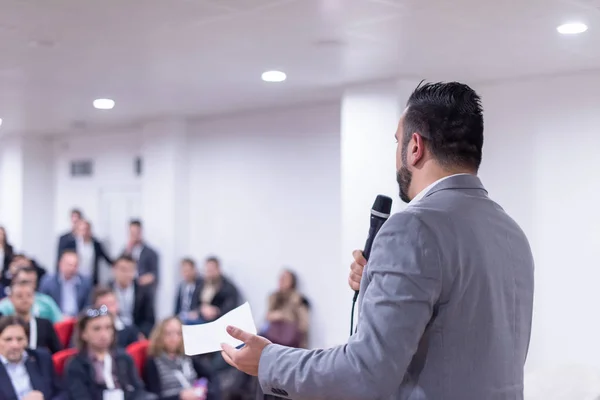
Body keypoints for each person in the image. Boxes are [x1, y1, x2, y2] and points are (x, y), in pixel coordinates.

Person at [219, 82, 535, 399]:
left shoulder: (413, 228)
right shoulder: (511, 233)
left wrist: (269, 360)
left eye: (397, 142)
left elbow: (366, 373)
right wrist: (374, 283)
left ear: (415, 147)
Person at [65, 305, 152, 399]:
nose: (104, 334)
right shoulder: (76, 365)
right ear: (83, 334)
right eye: (96, 329)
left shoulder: (124, 358)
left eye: (108, 328)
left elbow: (138, 390)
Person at [143, 317, 219, 400]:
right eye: (169, 333)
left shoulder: (187, 356)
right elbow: (154, 396)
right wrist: (180, 396)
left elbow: (211, 375)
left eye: (178, 333)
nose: (174, 338)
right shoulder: (154, 361)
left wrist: (204, 389)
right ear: (160, 336)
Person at [0, 316, 66, 400]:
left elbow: (61, 393)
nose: (15, 345)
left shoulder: (42, 358)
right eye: (8, 339)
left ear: (26, 340)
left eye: (20, 339)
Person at [8, 281, 62, 354]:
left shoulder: (45, 324)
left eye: (29, 295)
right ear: (10, 299)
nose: (25, 299)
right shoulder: (4, 324)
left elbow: (58, 352)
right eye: (19, 296)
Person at [261, 269, 309, 348]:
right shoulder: (274, 297)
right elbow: (266, 318)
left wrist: (282, 316)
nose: (281, 281)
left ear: (292, 281)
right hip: (272, 339)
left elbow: (304, 325)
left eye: (285, 278)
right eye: (280, 278)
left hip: (290, 343)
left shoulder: (299, 300)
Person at [39, 250, 92, 317]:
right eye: (69, 265)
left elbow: (88, 305)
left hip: (78, 320)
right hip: (56, 319)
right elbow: (43, 305)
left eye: (75, 265)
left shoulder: (85, 282)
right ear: (60, 264)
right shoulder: (48, 282)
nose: (72, 268)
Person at [64, 219, 113, 285]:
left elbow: (106, 258)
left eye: (86, 229)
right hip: (75, 277)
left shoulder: (96, 244)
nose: (84, 232)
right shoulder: (71, 244)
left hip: (91, 278)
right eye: (82, 230)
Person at [122, 220, 159, 293]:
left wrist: (141, 280)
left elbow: (155, 274)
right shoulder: (126, 251)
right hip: (128, 289)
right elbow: (120, 265)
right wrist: (128, 249)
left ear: (141, 232)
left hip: (143, 289)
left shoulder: (151, 252)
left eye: (136, 233)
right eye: (132, 233)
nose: (134, 236)